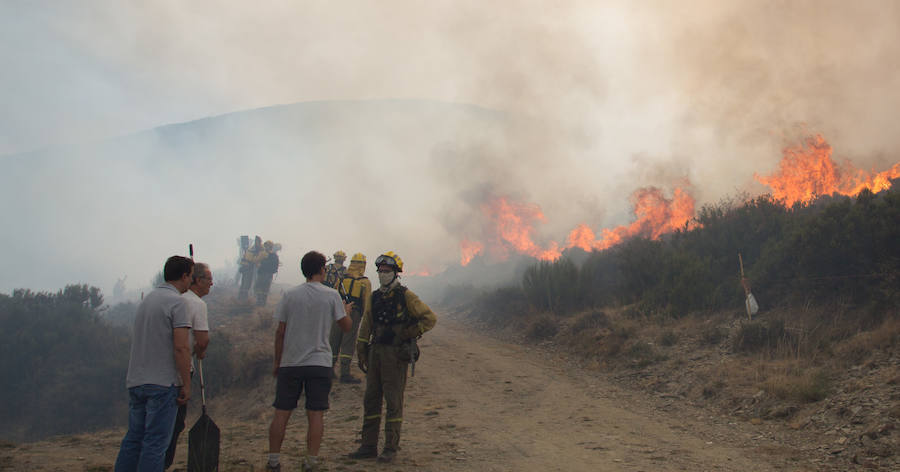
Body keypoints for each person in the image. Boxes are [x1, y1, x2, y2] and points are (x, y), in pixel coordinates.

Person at [267, 251, 353, 472]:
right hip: (320, 363)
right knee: (315, 414)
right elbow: (346, 327)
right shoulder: (331, 295)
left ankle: (274, 461)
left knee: (281, 412)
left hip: (291, 363)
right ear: (322, 269)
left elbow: (280, 332)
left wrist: (277, 362)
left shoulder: (289, 295)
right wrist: (346, 311)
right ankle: (311, 462)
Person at [348, 251, 437, 463]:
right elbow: (367, 323)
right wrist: (361, 349)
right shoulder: (375, 297)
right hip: (376, 352)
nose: (383, 274)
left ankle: (390, 448)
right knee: (371, 400)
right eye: (380, 271)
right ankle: (368, 446)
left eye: (387, 271)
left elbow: (429, 319)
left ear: (396, 273)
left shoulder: (406, 296)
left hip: (394, 356)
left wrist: (407, 333)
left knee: (393, 402)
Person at [115, 256, 194, 472]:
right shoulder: (178, 303)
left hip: (136, 381)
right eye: (191, 276)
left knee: (133, 440)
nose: (191, 282)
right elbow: (181, 347)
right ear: (184, 275)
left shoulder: (147, 300)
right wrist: (186, 384)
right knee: (156, 443)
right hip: (162, 383)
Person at [164, 262, 213, 469]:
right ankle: (162, 464)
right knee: (174, 424)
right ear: (197, 280)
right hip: (180, 371)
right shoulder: (196, 304)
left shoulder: (174, 299)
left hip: (159, 369)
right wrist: (200, 352)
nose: (212, 284)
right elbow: (202, 340)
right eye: (209, 280)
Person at [329, 252, 371, 384]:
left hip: (338, 311)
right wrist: (365, 317)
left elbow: (334, 294)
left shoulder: (342, 279)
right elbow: (367, 302)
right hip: (354, 313)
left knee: (334, 339)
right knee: (348, 341)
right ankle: (345, 373)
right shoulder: (365, 282)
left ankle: (329, 370)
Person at [239, 236, 265, 300]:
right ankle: (243, 299)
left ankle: (241, 298)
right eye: (259, 242)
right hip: (248, 268)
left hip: (247, 267)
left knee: (245, 283)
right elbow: (255, 260)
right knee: (246, 283)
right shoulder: (253, 249)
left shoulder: (251, 249)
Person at [256, 240, 280, 306]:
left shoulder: (264, 254)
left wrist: (259, 265)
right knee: (265, 289)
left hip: (263, 274)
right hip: (269, 275)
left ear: (269, 247)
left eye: (266, 246)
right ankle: (263, 303)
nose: (265, 247)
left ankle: (259, 302)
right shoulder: (275, 256)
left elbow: (257, 261)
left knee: (259, 288)